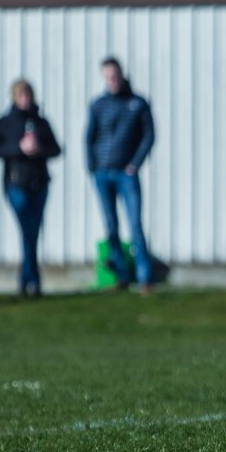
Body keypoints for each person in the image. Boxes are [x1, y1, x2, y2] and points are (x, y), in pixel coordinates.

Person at [85, 57, 156, 293]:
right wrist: (93, 166)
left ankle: (144, 277)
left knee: (135, 225)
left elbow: (148, 136)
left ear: (122, 75)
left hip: (126, 174)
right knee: (111, 227)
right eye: (108, 77)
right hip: (103, 173)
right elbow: (90, 137)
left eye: (115, 76)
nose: (112, 80)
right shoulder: (98, 105)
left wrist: (135, 164)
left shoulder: (137, 103)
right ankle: (121, 276)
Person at [0, 79, 62, 298]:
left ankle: (27, 280)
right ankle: (32, 280)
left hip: (38, 183)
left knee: (32, 231)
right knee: (27, 229)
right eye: (21, 96)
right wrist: (18, 148)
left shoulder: (40, 122)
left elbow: (55, 149)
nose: (25, 100)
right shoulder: (5, 123)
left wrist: (39, 149)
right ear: (14, 97)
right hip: (15, 182)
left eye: (28, 95)